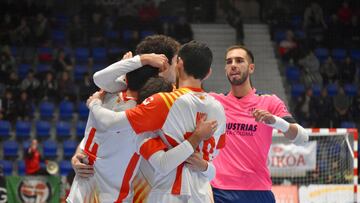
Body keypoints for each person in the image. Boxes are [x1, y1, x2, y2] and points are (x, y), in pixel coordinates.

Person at [68, 36, 217, 203]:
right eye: (176, 62)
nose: (178, 67)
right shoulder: (116, 92)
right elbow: (99, 127)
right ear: (161, 66)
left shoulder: (169, 102)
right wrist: (79, 152)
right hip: (90, 192)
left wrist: (205, 166)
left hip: (143, 191)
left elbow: (109, 122)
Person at [209, 45, 309, 203]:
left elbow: (302, 138)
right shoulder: (213, 102)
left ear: (251, 68)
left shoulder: (269, 102)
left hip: (258, 191)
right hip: (220, 191)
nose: (233, 65)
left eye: (239, 60)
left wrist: (275, 122)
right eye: (229, 62)